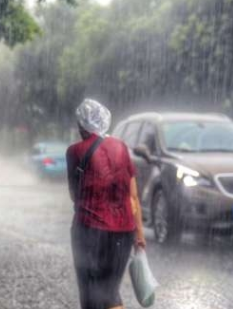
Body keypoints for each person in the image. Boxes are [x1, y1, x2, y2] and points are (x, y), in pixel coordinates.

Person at [67, 99, 146, 309]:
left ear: (82, 125)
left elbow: (74, 194)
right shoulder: (120, 147)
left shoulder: (75, 151)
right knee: (110, 291)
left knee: (90, 292)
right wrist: (139, 235)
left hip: (89, 231)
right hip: (123, 232)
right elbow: (133, 197)